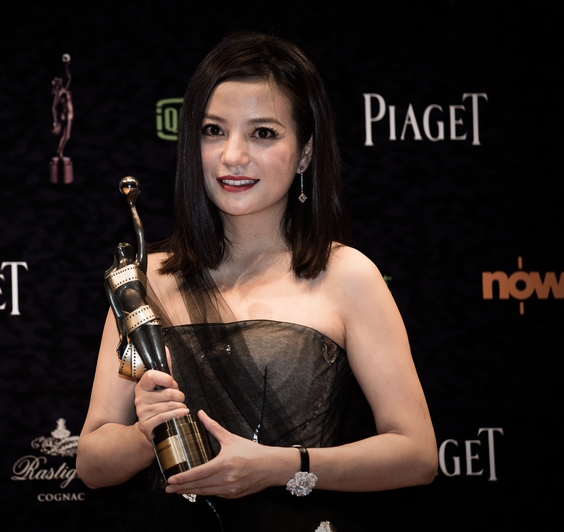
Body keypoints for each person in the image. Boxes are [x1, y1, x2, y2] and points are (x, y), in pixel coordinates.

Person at [77, 30, 437, 531]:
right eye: (213, 131)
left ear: (305, 153)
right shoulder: (148, 282)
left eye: (263, 133)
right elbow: (92, 464)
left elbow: (416, 455)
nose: (232, 155)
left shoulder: (347, 275)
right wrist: (148, 432)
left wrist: (280, 467)